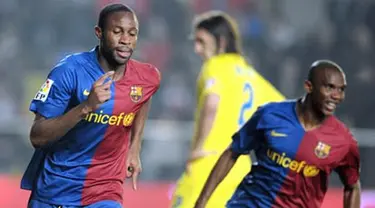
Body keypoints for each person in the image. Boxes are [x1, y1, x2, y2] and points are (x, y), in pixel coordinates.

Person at [21, 4, 161, 208]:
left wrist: (135, 146)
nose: (125, 40)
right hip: (56, 191)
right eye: (117, 32)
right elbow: (37, 136)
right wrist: (85, 107)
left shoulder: (147, 77)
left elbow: (143, 97)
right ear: (99, 33)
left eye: (132, 34)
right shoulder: (68, 72)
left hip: (105, 191)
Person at [194, 60, 361, 208]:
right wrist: (200, 203)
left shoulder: (343, 141)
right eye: (330, 87)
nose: (337, 96)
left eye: (341, 90)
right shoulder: (269, 115)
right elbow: (232, 152)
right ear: (308, 86)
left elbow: (352, 186)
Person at [171, 11, 285, 208]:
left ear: (221, 41)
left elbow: (212, 102)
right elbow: (284, 112)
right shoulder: (250, 75)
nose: (197, 49)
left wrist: (198, 147)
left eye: (201, 42)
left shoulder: (214, 66)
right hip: (240, 169)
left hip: (209, 164)